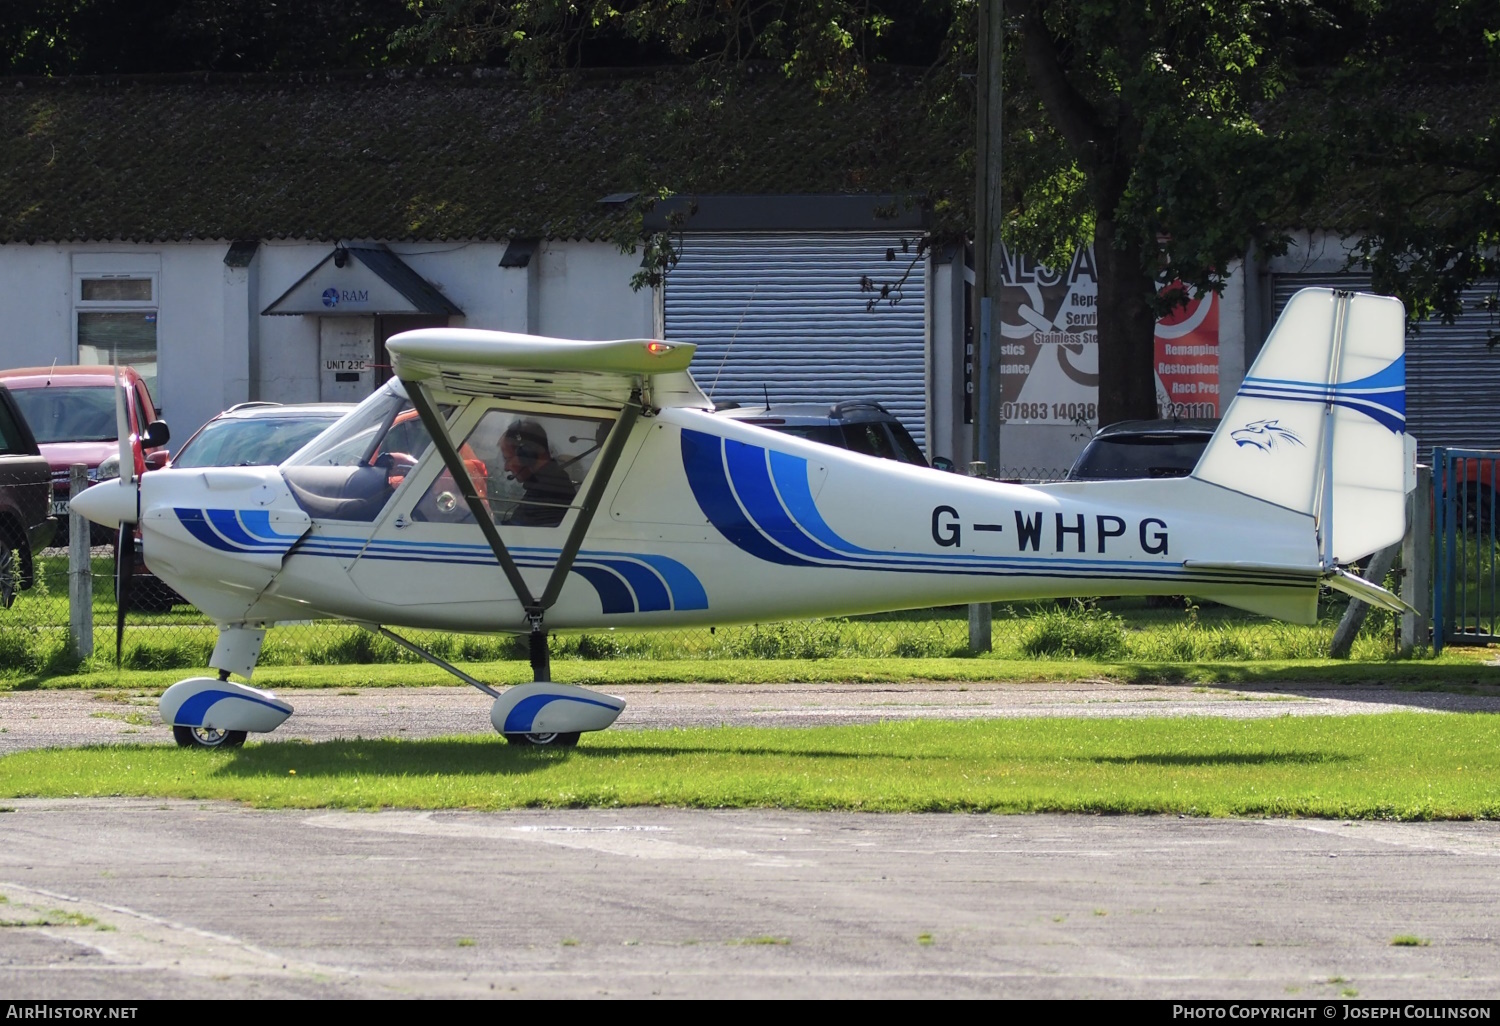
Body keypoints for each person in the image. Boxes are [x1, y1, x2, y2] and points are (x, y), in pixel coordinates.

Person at [499, 419, 577, 527]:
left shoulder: (549, 489)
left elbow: (518, 530)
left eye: (508, 459)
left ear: (526, 455)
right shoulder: (544, 483)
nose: (506, 468)